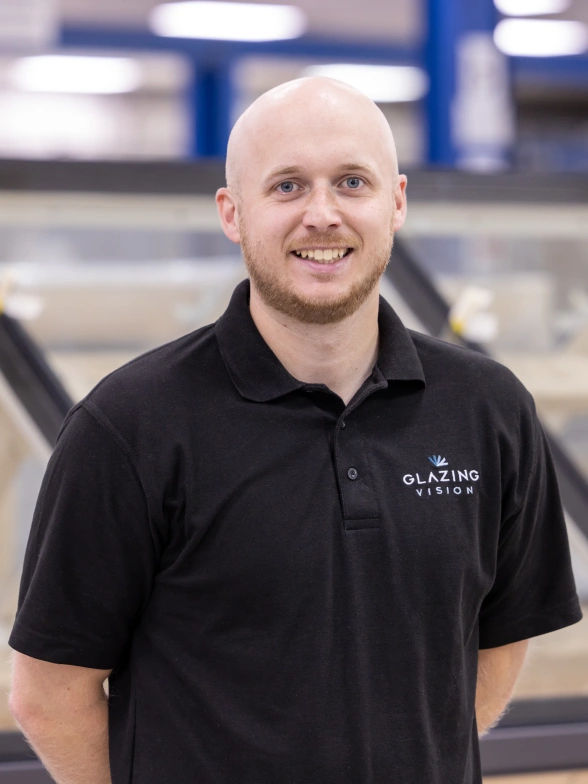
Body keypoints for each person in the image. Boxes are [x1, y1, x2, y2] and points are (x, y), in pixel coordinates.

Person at [8, 77, 582, 784]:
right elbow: (49, 696)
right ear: (232, 212)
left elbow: (501, 636)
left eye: (351, 182)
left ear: (396, 201)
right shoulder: (130, 426)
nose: (322, 215)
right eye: (286, 187)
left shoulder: (489, 409)